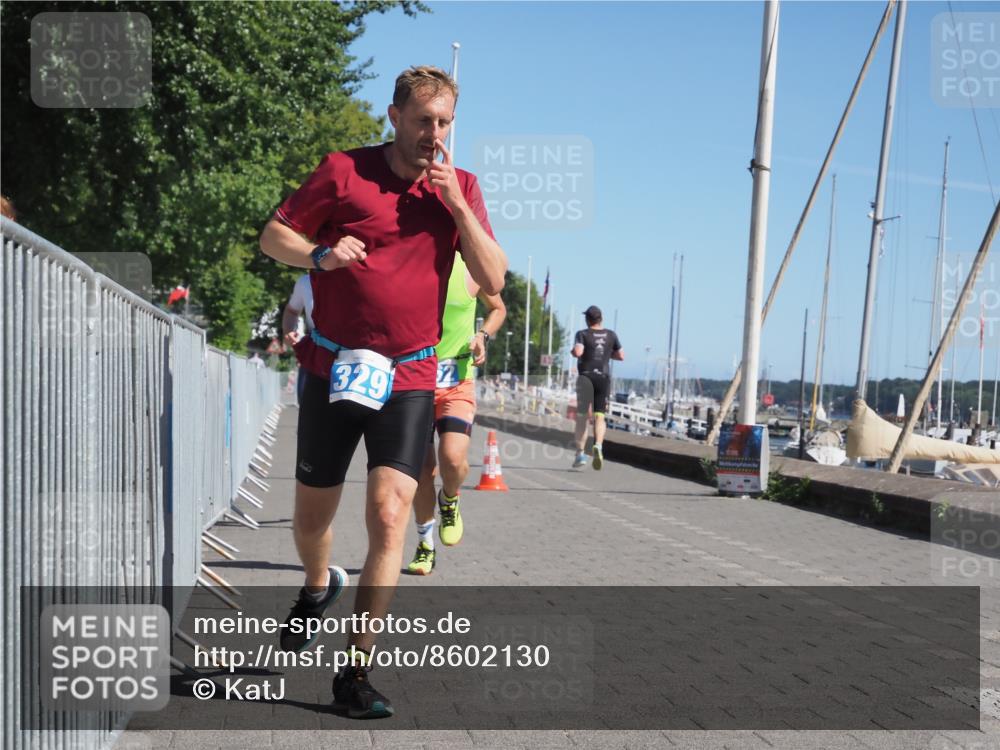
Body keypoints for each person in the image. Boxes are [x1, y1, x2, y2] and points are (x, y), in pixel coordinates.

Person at [258, 65, 506, 719]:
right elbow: (273, 236)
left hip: (412, 375)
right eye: (423, 119)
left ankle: (355, 671)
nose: (435, 134)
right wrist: (318, 257)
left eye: (445, 122)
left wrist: (456, 205)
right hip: (335, 367)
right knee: (312, 519)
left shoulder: (463, 188)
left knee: (391, 515)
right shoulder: (343, 171)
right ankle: (317, 584)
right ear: (393, 116)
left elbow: (493, 276)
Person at [406, 258, 506, 575]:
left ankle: (449, 499)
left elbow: (498, 309)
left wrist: (482, 336)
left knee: (451, 458)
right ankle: (425, 545)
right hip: (414, 381)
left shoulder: (470, 267)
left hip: (456, 382)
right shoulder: (411, 260)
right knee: (422, 472)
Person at [571, 305, 624, 469]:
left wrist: (574, 351)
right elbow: (621, 355)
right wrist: (608, 354)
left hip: (586, 377)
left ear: (587, 319)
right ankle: (598, 446)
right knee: (599, 415)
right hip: (603, 377)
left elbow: (578, 352)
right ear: (600, 319)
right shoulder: (611, 335)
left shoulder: (582, 334)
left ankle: (580, 454)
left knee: (581, 418)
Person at [282, 273, 315, 405]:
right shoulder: (306, 282)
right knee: (310, 415)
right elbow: (292, 310)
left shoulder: (361, 275)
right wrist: (289, 331)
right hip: (315, 355)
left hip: (356, 356)